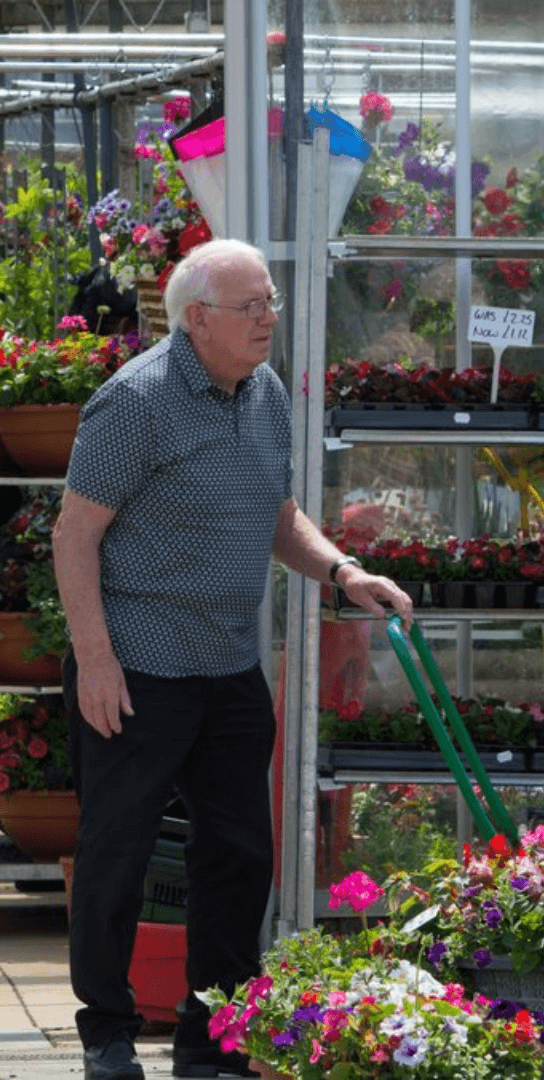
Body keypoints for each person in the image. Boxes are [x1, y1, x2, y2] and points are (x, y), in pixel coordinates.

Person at [53, 238, 414, 1080]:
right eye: (251, 306)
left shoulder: (264, 393)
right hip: (136, 665)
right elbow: (75, 537)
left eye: (271, 304)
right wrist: (95, 660)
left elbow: (276, 513)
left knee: (240, 851)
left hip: (224, 663)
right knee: (118, 853)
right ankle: (106, 1033)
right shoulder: (134, 402)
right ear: (197, 320)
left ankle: (211, 1035)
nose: (268, 319)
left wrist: (342, 571)